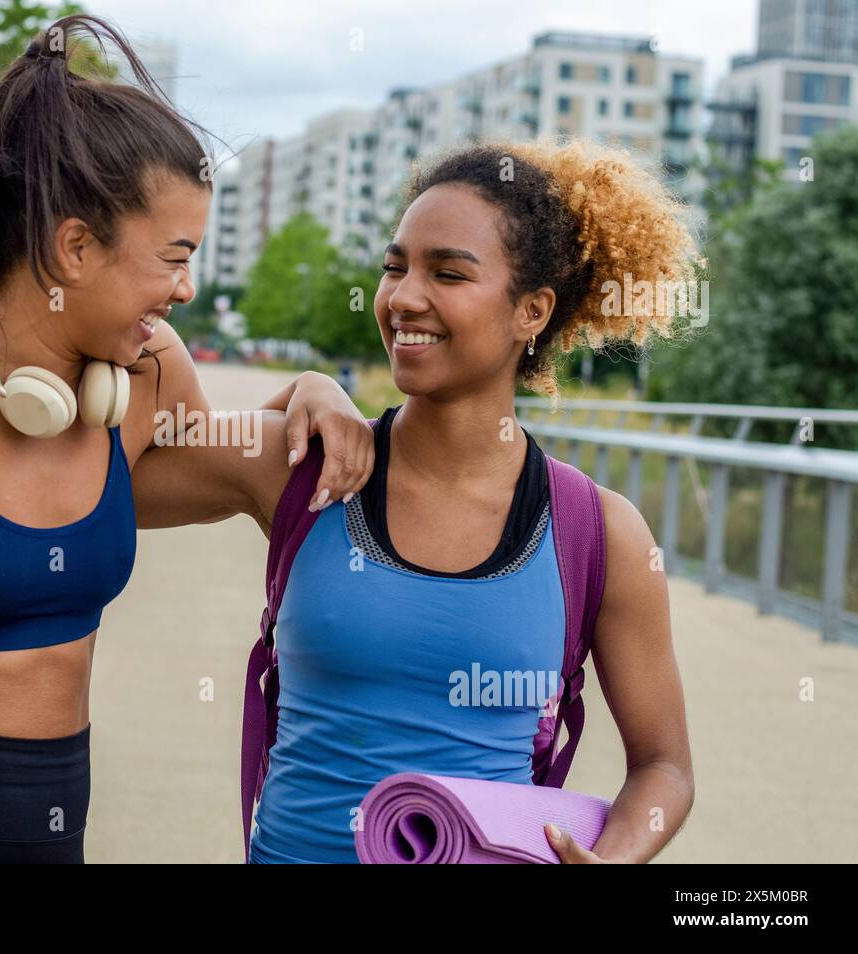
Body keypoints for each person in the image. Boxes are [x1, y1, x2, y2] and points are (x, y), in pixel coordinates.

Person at [0, 14, 373, 864]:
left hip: (49, 833)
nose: (187, 289)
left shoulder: (147, 377)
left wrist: (314, 388)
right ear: (76, 246)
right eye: (173, 257)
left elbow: (245, 460)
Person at [132, 138, 698, 863]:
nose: (403, 297)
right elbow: (114, 475)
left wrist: (612, 860)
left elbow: (665, 769)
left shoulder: (598, 532)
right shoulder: (303, 466)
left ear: (532, 310)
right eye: (394, 267)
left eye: (448, 273)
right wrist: (298, 390)